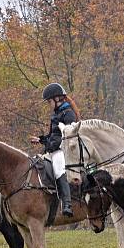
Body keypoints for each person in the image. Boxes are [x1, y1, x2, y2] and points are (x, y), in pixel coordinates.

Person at [29, 83, 79, 217]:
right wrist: (40, 140)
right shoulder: (57, 114)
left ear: (57, 99)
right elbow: (53, 136)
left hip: (64, 150)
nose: (48, 104)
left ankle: (67, 204)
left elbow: (66, 138)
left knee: (58, 169)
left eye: (49, 101)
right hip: (54, 148)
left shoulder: (68, 114)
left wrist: (49, 144)